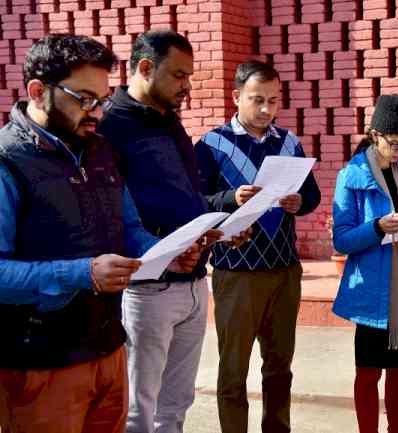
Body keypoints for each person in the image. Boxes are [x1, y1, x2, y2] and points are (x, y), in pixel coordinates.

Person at [0, 34, 203, 433]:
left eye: (103, 100)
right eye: (84, 99)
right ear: (38, 92)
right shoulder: (9, 162)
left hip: (109, 350)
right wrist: (83, 273)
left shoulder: (100, 150)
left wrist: (165, 254)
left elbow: (128, 229)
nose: (96, 112)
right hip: (42, 364)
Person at [97, 30, 245, 433]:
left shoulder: (169, 122)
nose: (187, 86)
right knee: (138, 408)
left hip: (195, 284)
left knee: (176, 404)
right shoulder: (109, 127)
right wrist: (163, 247)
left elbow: (187, 195)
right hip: (147, 290)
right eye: (179, 76)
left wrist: (218, 225)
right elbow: (109, 214)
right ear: (145, 68)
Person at [194, 60, 321, 433]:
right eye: (257, 100)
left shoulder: (289, 142)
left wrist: (301, 202)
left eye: (273, 100)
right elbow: (198, 200)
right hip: (237, 274)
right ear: (236, 97)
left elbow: (311, 194)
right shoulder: (212, 144)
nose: (266, 109)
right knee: (233, 370)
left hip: (284, 271)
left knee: (280, 366)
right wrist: (231, 197)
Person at [331, 94, 398, 433]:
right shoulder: (352, 176)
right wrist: (377, 228)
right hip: (373, 290)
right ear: (374, 134)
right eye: (394, 143)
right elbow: (342, 239)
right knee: (368, 371)